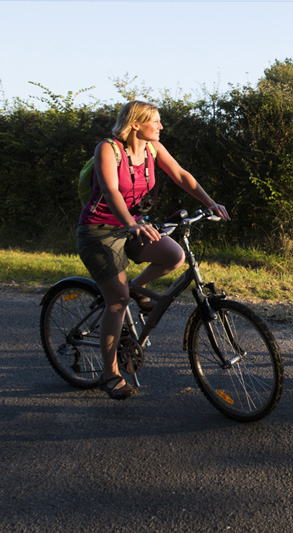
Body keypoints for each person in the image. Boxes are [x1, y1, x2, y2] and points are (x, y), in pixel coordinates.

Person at [76, 100, 229, 400]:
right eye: (155, 121)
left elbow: (181, 175)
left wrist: (210, 203)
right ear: (135, 124)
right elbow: (110, 190)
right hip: (99, 232)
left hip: (134, 224)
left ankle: (138, 286)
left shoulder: (153, 149)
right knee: (117, 302)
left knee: (174, 256)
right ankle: (110, 374)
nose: (161, 126)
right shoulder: (107, 149)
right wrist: (130, 224)